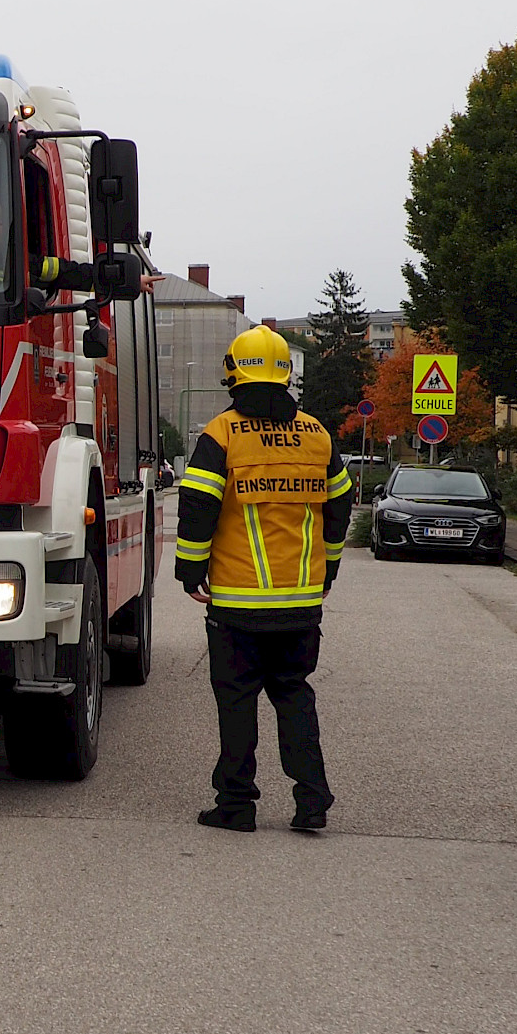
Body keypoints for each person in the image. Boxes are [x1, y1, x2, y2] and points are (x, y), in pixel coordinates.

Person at [174, 325, 352, 835]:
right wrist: (328, 568)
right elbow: (339, 508)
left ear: (233, 375)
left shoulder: (222, 434)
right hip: (300, 604)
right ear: (286, 376)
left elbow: (198, 507)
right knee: (294, 696)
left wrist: (190, 569)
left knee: (236, 704)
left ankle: (236, 806)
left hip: (237, 605)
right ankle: (312, 801)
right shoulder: (317, 435)